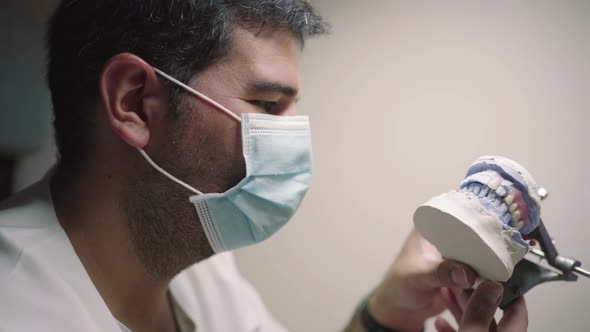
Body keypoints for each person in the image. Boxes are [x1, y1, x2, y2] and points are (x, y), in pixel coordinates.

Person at [0, 1, 528, 331]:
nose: (296, 133)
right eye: (269, 106)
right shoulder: (19, 306)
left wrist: (384, 317)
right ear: (135, 102)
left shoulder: (198, 268)